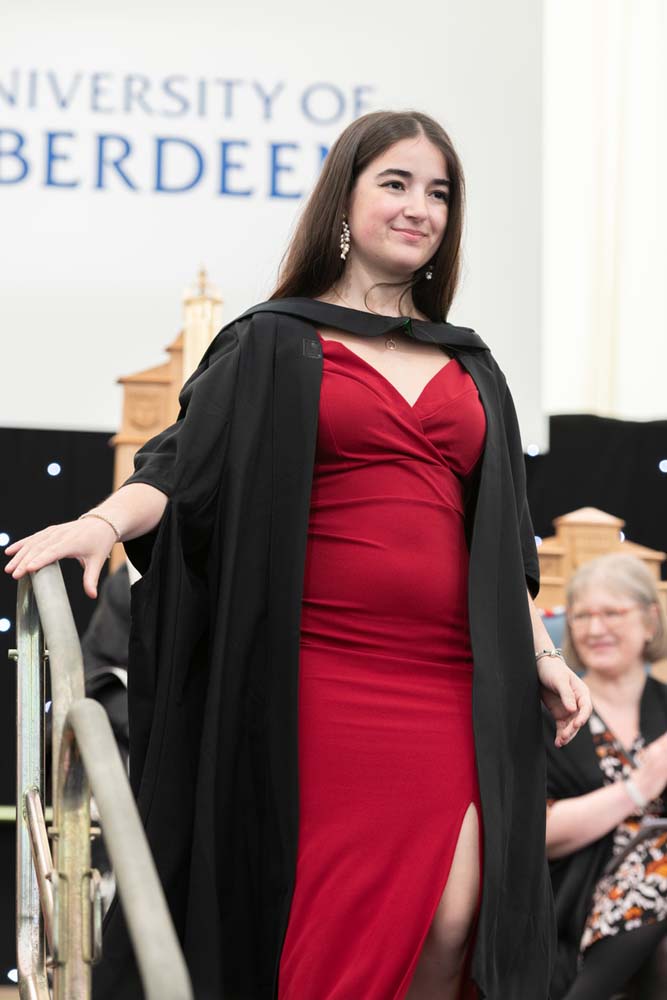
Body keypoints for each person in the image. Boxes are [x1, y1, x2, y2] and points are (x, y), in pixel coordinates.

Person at [5, 110, 591, 1000]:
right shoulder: (274, 340)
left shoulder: (472, 365)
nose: (419, 206)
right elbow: (183, 468)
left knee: (456, 917)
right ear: (343, 204)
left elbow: (500, 540)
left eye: (438, 193)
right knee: (342, 917)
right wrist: (104, 523)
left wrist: (540, 654)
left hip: (456, 677)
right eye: (395, 183)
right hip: (323, 670)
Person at [544, 553, 667, 1000]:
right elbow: (536, 831)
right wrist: (638, 788)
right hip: (579, 890)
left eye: (612, 613)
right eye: (582, 616)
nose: (595, 629)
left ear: (649, 621)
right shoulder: (553, 713)